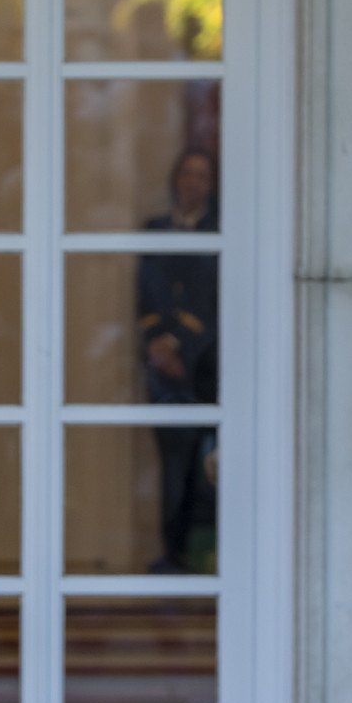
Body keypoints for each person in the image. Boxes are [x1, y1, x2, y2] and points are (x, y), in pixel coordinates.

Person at [135, 147, 220, 573]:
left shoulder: (219, 231)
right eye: (187, 173)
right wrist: (157, 343)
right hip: (161, 368)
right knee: (170, 462)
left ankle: (205, 552)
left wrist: (180, 345)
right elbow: (146, 290)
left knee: (203, 463)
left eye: (202, 176)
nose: (193, 182)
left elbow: (210, 301)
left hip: (204, 366)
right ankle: (172, 553)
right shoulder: (155, 229)